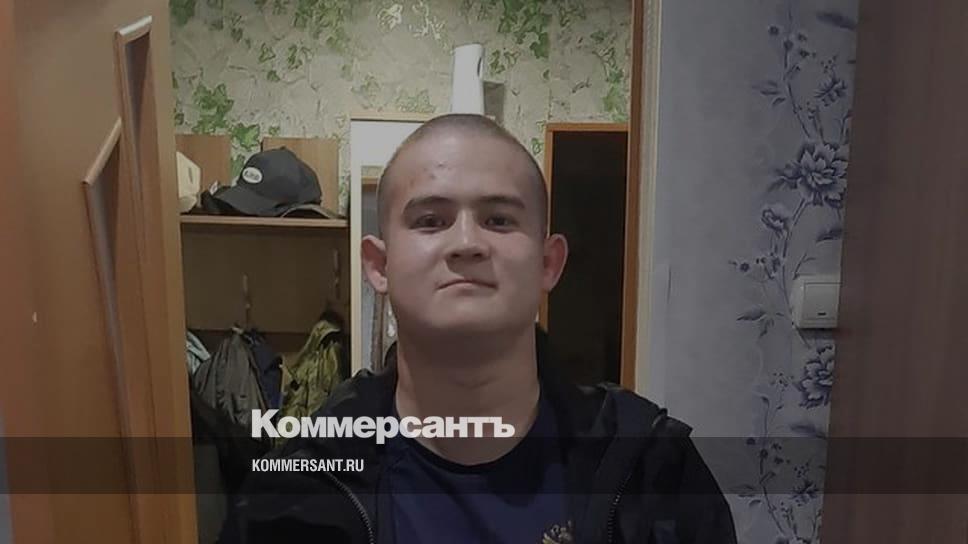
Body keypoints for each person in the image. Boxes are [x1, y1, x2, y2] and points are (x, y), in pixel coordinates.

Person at [220, 114, 736, 543]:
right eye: (430, 220)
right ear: (379, 265)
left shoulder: (653, 472)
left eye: (499, 220)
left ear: (548, 263)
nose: (466, 243)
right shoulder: (295, 492)